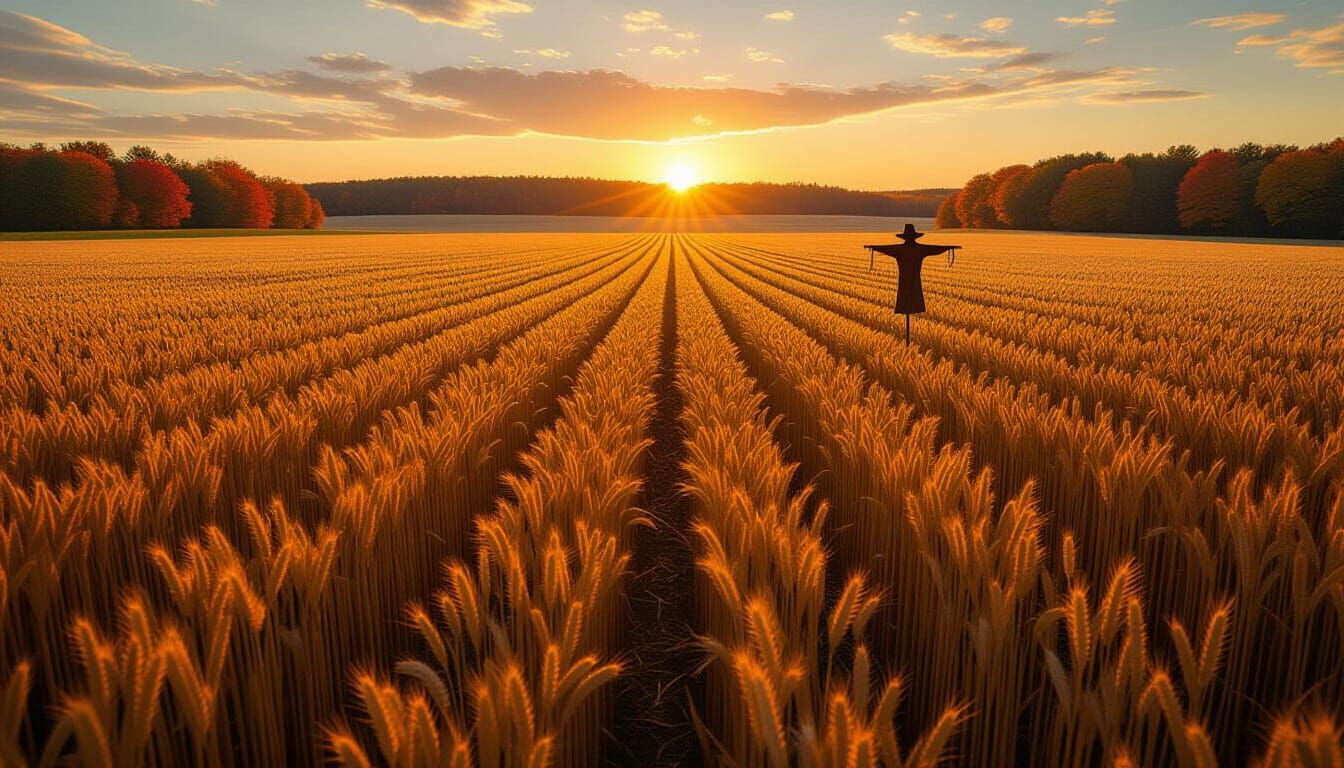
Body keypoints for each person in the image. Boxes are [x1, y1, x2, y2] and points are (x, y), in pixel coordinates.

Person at [865, 223, 959, 343]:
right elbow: (934, 249)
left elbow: (887, 248)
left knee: (905, 303)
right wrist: (949, 248)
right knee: (913, 302)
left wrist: (873, 247)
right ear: (915, 237)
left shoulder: (899, 249)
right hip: (915, 282)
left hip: (903, 282)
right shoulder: (919, 249)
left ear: (904, 237)